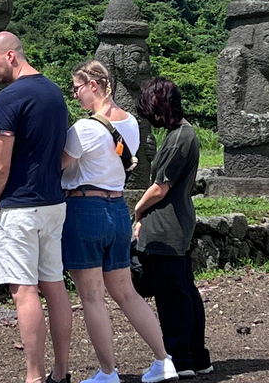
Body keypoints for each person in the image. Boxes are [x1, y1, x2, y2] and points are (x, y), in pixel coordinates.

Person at [61, 60, 177, 383]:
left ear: (94, 86)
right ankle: (163, 360)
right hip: (117, 211)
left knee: (92, 296)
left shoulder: (83, 129)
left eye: (77, 88)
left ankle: (108, 372)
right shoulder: (132, 125)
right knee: (126, 293)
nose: (75, 96)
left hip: (85, 211)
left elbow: (59, 165)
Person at [0, 31, 73, 383]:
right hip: (53, 202)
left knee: (23, 290)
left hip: (19, 206)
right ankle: (61, 372)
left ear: (10, 56)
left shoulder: (10, 98)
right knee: (54, 285)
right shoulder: (54, 92)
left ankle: (33, 376)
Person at [134, 77, 213, 379]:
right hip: (176, 223)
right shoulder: (183, 133)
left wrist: (138, 210)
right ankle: (196, 356)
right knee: (184, 291)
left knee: (172, 296)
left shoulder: (180, 137)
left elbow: (160, 187)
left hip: (166, 226)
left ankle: (180, 358)